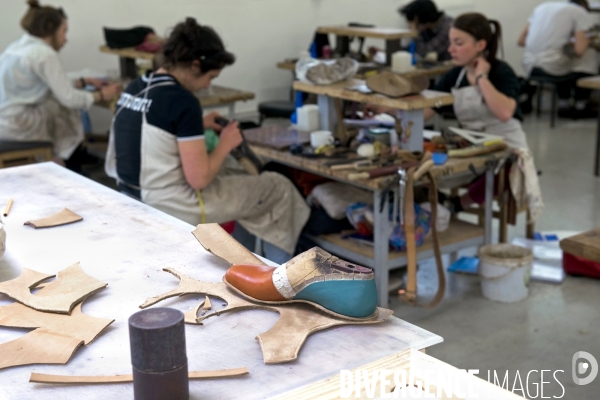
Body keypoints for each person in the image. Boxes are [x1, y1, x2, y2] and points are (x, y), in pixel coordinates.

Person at [106, 18, 310, 262]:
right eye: (210, 77)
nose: (206, 86)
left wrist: (197, 125)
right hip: (171, 203)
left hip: (130, 193)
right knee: (277, 188)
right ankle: (275, 275)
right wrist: (225, 143)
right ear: (194, 65)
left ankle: (240, 259)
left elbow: (149, 125)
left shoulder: (136, 88)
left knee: (247, 185)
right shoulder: (183, 101)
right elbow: (199, 179)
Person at [367, 13, 543, 221]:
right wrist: (388, 109)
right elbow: (427, 111)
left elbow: (504, 113)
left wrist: (481, 78)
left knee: (503, 170)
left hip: (507, 146)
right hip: (473, 146)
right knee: (423, 161)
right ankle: (426, 203)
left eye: (458, 43)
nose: (450, 49)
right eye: (451, 42)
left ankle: (456, 204)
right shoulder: (455, 75)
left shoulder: (501, 72)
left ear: (480, 45)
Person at [0, 0, 121, 170]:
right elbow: (69, 98)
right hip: (17, 126)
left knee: (56, 102)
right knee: (63, 107)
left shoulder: (19, 46)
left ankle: (75, 154)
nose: (65, 39)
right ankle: (72, 161)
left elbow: (40, 83)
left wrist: (83, 82)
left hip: (5, 121)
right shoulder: (44, 53)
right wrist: (102, 95)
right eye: (64, 31)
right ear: (51, 29)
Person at [519, 0, 597, 119]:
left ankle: (563, 103)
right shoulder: (579, 12)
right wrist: (588, 41)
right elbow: (580, 50)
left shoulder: (542, 7)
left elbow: (521, 41)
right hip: (552, 67)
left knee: (564, 60)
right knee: (587, 58)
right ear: (583, 7)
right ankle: (580, 105)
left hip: (529, 65)